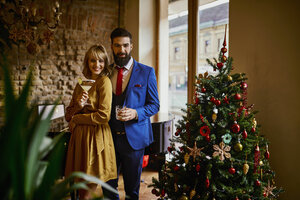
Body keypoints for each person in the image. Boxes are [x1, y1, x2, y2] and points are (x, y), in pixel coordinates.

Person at [103, 27, 160, 200]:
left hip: (133, 141)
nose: (122, 50)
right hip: (107, 138)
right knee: (107, 188)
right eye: (117, 46)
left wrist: (136, 112)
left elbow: (154, 105)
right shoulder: (105, 72)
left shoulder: (146, 72)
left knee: (132, 191)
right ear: (112, 47)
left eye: (125, 45)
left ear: (131, 46)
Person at [64, 44, 117, 200]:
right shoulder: (81, 83)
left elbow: (104, 116)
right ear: (87, 62)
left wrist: (78, 118)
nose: (97, 65)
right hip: (79, 139)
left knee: (87, 192)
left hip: (95, 138)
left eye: (101, 61)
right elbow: (68, 115)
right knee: (81, 190)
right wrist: (78, 107)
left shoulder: (104, 82)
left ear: (105, 63)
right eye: (93, 60)